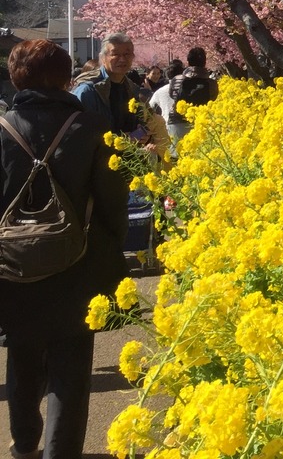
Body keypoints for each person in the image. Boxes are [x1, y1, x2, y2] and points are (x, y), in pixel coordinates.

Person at [0, 39, 129, 459]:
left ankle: (23, 445)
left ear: (15, 76)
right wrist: (111, 271)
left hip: (13, 269)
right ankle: (61, 451)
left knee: (21, 354)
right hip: (78, 265)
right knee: (71, 370)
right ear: (65, 76)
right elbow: (113, 208)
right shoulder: (91, 128)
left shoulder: (2, 129)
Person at [71, 34, 166, 152]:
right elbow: (79, 136)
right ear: (103, 58)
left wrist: (144, 136)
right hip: (96, 165)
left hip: (125, 164)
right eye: (115, 54)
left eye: (127, 54)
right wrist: (120, 140)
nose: (122, 59)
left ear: (132, 57)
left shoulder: (132, 90)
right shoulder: (88, 91)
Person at [165, 48, 218, 144]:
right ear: (205, 63)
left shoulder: (177, 79)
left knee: (177, 155)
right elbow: (213, 99)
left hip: (177, 120)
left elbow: (172, 95)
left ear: (188, 62)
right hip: (201, 122)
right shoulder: (212, 83)